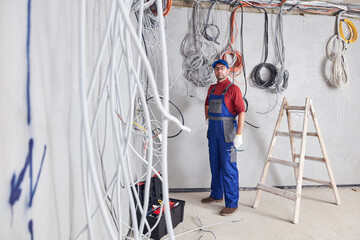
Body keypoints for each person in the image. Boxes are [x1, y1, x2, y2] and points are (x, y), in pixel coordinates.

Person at [201, 59, 245, 216]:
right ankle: (216, 194)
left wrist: (239, 134)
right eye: (217, 69)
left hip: (227, 134)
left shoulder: (233, 89)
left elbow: (241, 112)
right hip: (213, 133)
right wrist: (207, 118)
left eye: (222, 68)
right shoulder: (212, 89)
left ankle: (232, 204)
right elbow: (206, 104)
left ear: (228, 70)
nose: (219, 71)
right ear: (214, 72)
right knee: (215, 165)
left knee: (229, 168)